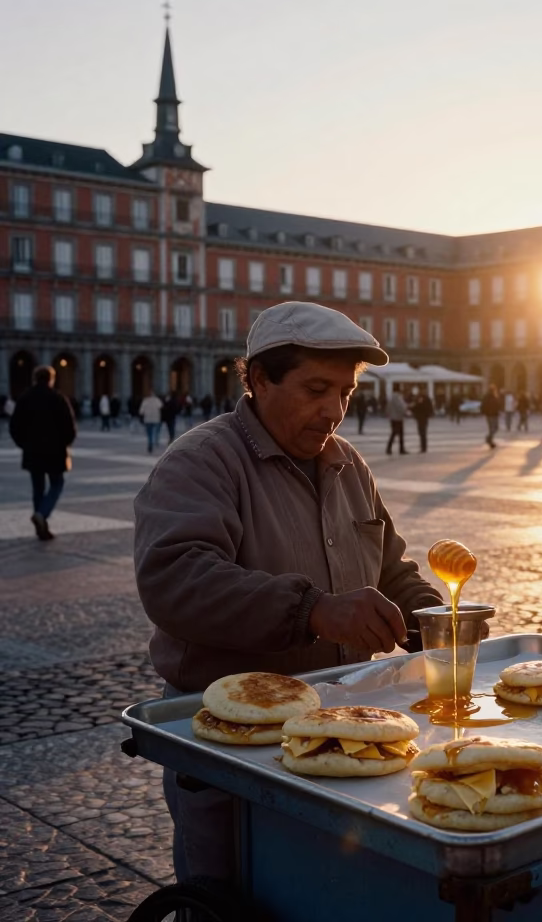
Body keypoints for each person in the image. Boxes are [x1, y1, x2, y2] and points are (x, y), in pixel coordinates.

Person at [133, 301, 443, 886]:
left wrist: (433, 617)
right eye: (316, 389)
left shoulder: (348, 464)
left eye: (346, 393)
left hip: (342, 735)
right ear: (256, 379)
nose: (334, 411)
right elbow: (175, 578)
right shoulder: (201, 461)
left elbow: (390, 566)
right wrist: (314, 611)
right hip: (236, 747)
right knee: (234, 892)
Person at [10, 365, 77, 539]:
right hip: (55, 451)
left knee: (37, 489)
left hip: (33, 451)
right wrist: (65, 443)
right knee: (57, 484)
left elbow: (14, 426)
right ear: (51, 379)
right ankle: (42, 515)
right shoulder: (58, 398)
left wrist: (24, 444)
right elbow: (70, 427)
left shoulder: (25, 398)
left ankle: (41, 527)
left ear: (34, 378)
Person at [386, 385, 408, 454]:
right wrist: (406, 409)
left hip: (393, 417)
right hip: (397, 418)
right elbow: (400, 406)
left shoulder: (391, 397)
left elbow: (388, 408)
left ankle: (391, 448)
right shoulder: (397, 397)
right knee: (397, 433)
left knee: (394, 433)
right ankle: (399, 449)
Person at [481, 384, 501, 448]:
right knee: (494, 428)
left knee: (493, 428)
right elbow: (484, 405)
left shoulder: (488, 397)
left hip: (491, 414)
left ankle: (490, 441)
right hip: (492, 415)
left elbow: (483, 405)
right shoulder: (491, 397)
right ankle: (489, 439)